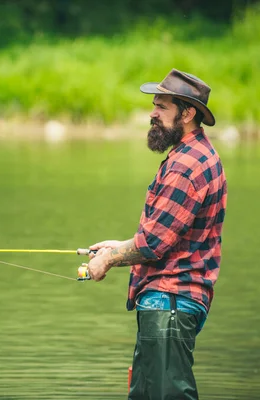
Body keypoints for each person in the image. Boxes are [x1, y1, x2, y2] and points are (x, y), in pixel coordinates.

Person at [86, 69, 227, 399]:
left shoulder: (186, 165)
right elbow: (166, 235)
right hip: (171, 303)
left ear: (187, 113)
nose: (152, 113)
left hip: (170, 303)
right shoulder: (195, 155)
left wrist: (107, 260)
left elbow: (152, 243)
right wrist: (119, 245)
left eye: (161, 107)